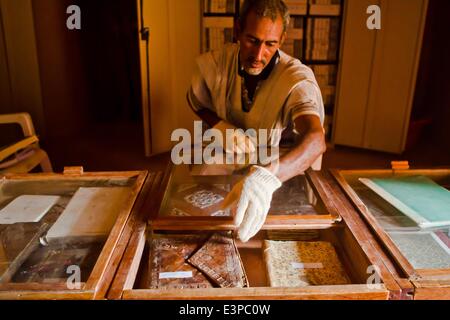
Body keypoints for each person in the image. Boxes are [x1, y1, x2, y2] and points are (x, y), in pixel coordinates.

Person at [187, 0, 326, 242]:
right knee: (203, 188)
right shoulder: (217, 62)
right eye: (252, 40)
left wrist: (269, 177)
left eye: (270, 44)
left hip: (277, 160)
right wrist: (220, 126)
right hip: (231, 150)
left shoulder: (296, 77)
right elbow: (194, 101)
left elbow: (316, 140)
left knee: (268, 222)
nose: (258, 55)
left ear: (282, 40)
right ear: (237, 30)